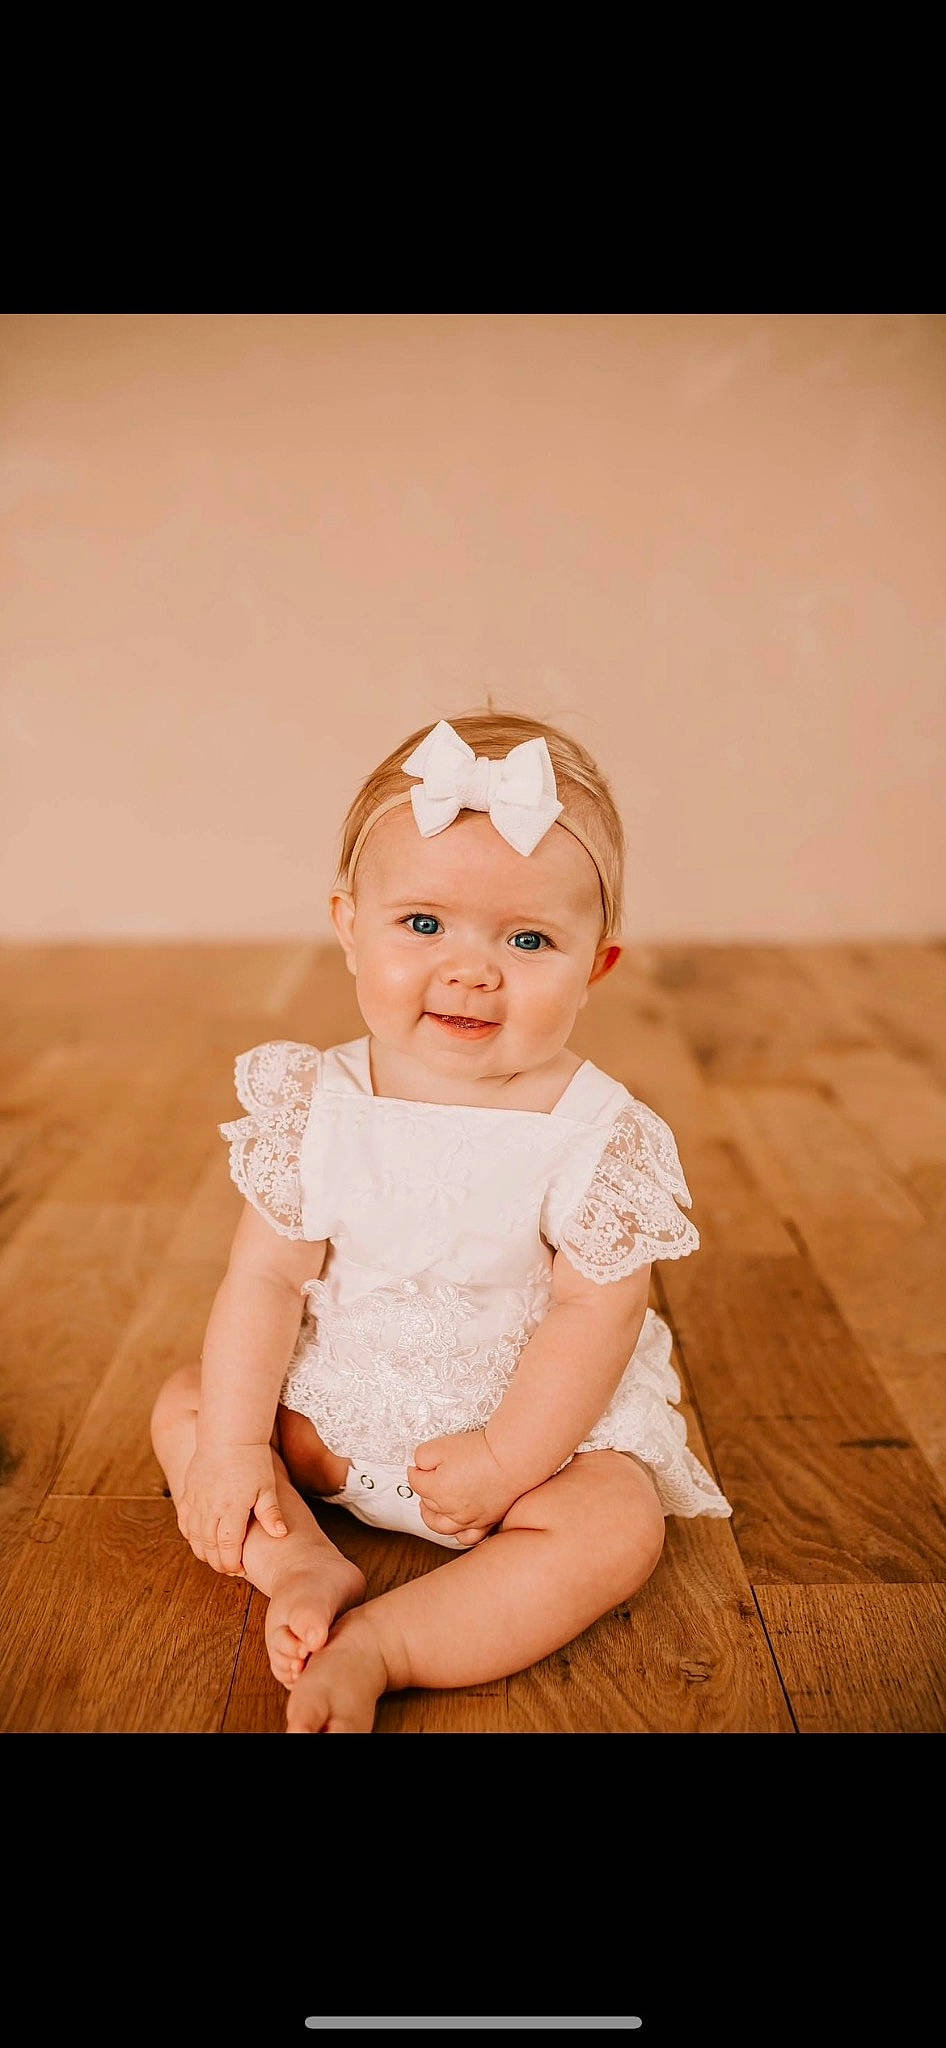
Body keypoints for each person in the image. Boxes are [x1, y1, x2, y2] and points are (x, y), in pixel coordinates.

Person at [150, 709, 732, 1733]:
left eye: (528, 938)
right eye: (423, 924)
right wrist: (243, 1444)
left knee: (616, 1522)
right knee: (191, 1406)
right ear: (347, 924)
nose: (471, 969)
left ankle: (390, 1640)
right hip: (334, 1410)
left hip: (520, 1435)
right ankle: (300, 1558)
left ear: (596, 963)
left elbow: (593, 1315)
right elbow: (265, 1281)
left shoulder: (594, 1131)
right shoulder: (316, 1099)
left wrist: (510, 1456)